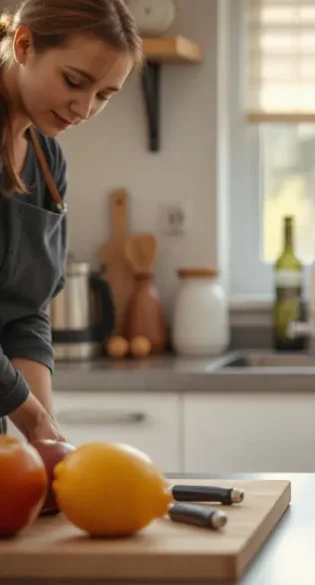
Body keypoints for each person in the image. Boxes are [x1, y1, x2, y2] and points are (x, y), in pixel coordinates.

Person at [0, 0, 142, 441]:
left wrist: (47, 439)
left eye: (102, 96)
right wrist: (35, 421)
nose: (83, 110)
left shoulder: (48, 162)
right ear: (24, 45)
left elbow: (25, 313)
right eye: (74, 82)